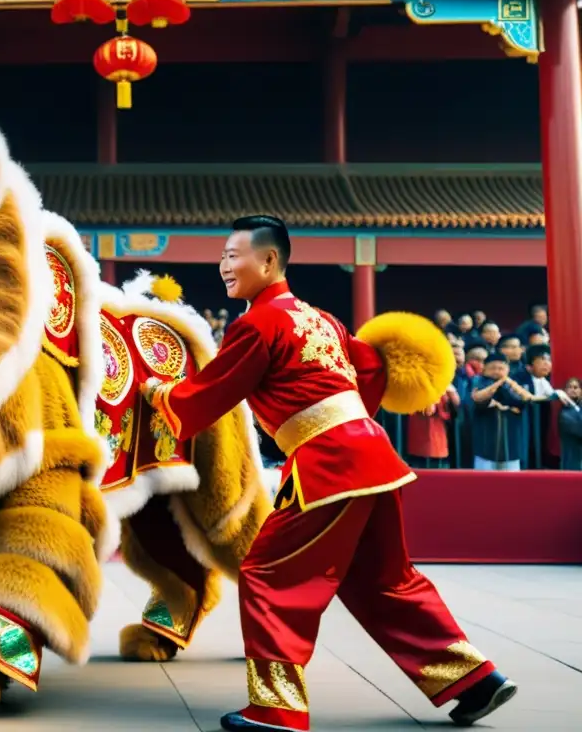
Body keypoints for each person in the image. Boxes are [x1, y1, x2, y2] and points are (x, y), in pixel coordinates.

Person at [141, 215, 516, 731]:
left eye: (233, 254)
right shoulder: (322, 319)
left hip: (328, 465)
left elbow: (209, 394)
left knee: (267, 575)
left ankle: (277, 709)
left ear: (269, 261)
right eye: (223, 255)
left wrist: (161, 395)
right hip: (374, 458)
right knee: (383, 581)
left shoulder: (257, 323)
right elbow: (370, 368)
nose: (223, 264)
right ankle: (473, 680)